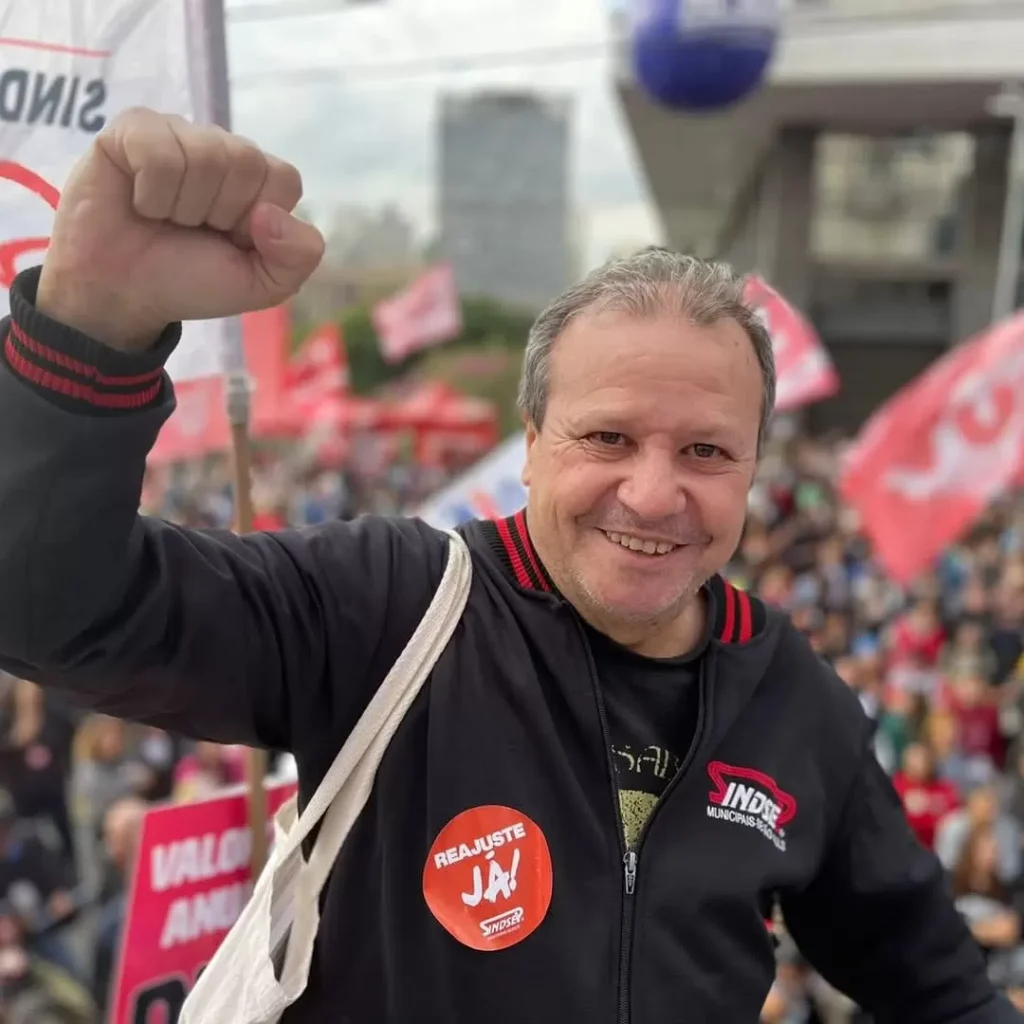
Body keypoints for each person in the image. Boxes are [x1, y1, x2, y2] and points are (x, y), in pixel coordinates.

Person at [0, 107, 1015, 1022]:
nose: (655, 493)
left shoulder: (795, 701)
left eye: (705, 451)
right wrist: (91, 326)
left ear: (752, 468)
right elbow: (51, 609)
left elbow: (935, 987)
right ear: (530, 445)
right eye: (608, 438)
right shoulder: (386, 607)